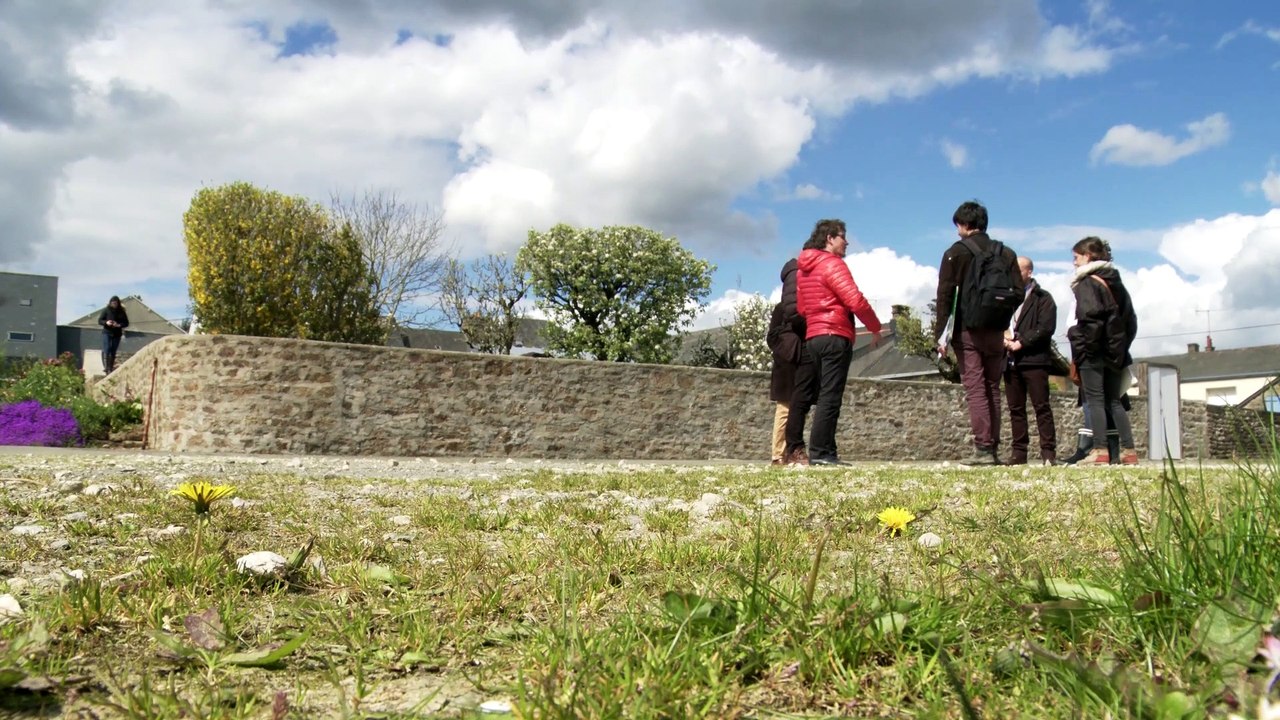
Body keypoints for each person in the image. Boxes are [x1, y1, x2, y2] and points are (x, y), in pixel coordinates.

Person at [934, 201, 1023, 466]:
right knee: (993, 387)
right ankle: (992, 447)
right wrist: (999, 314)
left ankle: (983, 449)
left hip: (967, 330)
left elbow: (945, 296)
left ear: (962, 224)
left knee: (975, 388)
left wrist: (941, 336)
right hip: (996, 330)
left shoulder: (955, 253)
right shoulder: (1005, 253)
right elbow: (1018, 292)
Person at [790, 219, 882, 466]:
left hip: (814, 337)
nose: (847, 241)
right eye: (843, 236)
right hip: (834, 334)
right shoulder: (833, 264)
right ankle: (821, 452)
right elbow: (855, 300)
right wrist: (875, 327)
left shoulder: (803, 269)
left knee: (824, 394)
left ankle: (827, 450)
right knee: (831, 396)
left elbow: (801, 307)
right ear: (830, 238)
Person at [1067, 236, 1139, 465]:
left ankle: (1100, 451)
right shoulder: (1117, 282)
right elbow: (1131, 322)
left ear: (1088, 256)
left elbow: (1091, 319)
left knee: (1096, 400)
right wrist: (1120, 347)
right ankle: (1129, 452)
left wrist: (1079, 344)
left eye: (1076, 257)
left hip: (1094, 352)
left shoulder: (1087, 282)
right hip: (1115, 352)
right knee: (1114, 401)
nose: (1074, 263)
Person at [1003, 257, 1057, 465]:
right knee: (1016, 409)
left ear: (1029, 272)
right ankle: (1019, 453)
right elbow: (999, 321)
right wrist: (1003, 338)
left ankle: (1048, 453)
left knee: (1041, 406)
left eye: (1018, 270)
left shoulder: (1043, 298)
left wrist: (1022, 342)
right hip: (1009, 360)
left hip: (1034, 360)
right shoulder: (1007, 297)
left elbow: (1045, 328)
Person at [780, 258, 815, 465]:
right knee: (797, 399)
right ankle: (792, 450)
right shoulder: (798, 271)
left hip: (810, 337)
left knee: (805, 397)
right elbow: (793, 311)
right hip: (804, 342)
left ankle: (800, 449)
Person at [766, 301, 800, 465]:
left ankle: (790, 452)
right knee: (785, 408)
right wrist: (788, 347)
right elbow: (772, 337)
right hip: (786, 364)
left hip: (800, 362)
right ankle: (778, 454)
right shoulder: (782, 308)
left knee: (797, 409)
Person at [98, 295, 130, 374]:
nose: (114, 305)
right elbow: (99, 320)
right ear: (110, 303)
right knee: (107, 348)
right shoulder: (106, 310)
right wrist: (106, 322)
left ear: (118, 303)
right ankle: (106, 367)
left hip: (117, 333)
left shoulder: (121, 312)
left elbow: (126, 323)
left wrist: (118, 325)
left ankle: (110, 368)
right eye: (112, 303)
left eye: (115, 303)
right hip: (107, 332)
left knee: (113, 350)